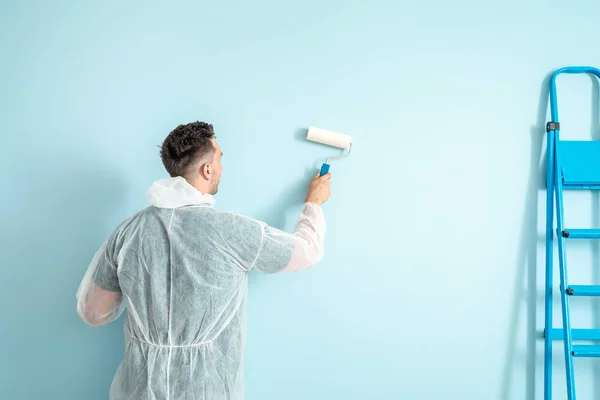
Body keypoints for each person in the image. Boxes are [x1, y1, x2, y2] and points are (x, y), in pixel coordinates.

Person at [76, 121, 331, 400]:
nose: (221, 166)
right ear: (206, 169)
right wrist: (313, 204)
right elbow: (306, 252)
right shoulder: (232, 231)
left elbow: (93, 313)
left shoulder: (128, 232)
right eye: (219, 158)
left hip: (139, 390)